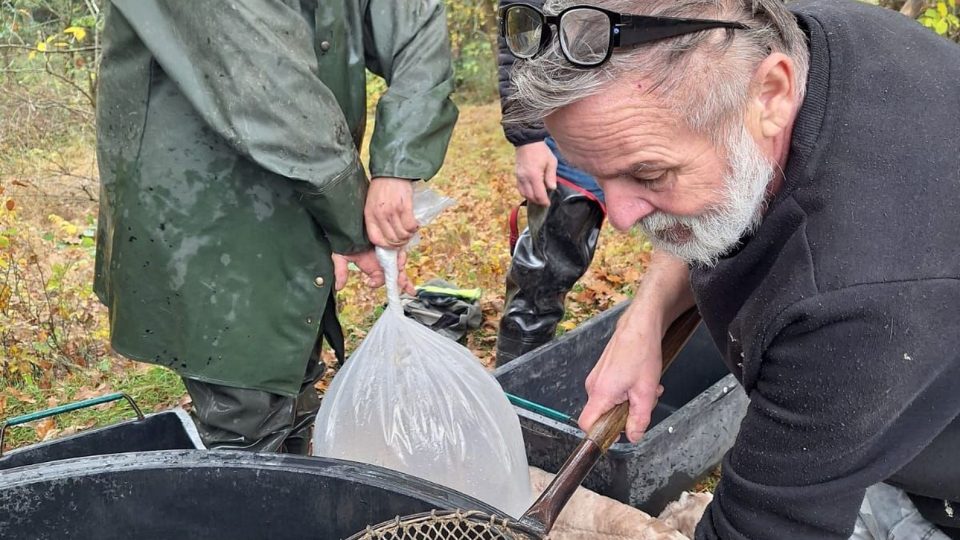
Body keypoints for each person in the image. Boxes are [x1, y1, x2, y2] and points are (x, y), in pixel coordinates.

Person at [502, 0, 960, 538]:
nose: (620, 217)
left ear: (772, 95)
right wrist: (645, 318)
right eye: (599, 173)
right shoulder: (782, 33)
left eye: (649, 174)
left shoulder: (852, 302)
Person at [94, 0, 457, 453]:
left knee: (292, 366)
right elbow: (269, 84)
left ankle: (290, 477)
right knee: (245, 398)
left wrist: (398, 164)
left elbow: (414, 27)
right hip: (198, 200)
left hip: (307, 179)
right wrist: (354, 222)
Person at [495, 0, 607, 366]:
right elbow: (522, 18)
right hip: (572, 103)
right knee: (545, 268)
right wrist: (528, 135)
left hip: (677, 95)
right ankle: (516, 384)